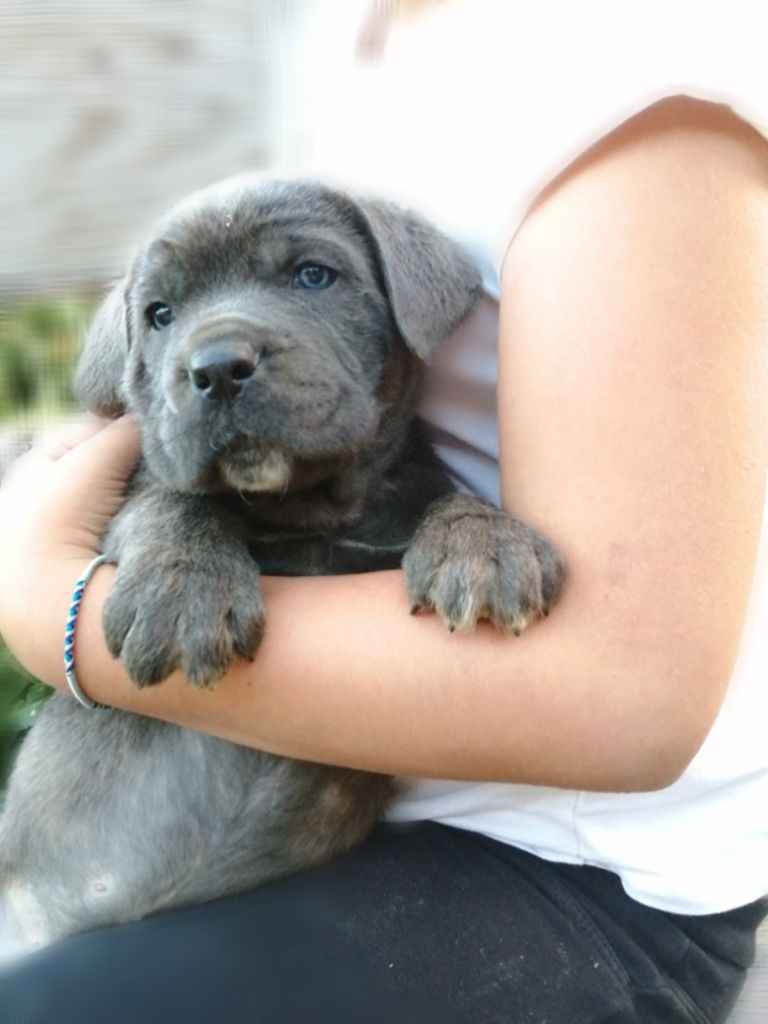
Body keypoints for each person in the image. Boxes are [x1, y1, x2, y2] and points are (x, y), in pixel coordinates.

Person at [1, 0, 767, 1020]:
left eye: (312, 276)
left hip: (557, 868)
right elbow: (116, 404)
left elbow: (628, 691)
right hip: (188, 842)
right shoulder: (326, 42)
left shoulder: (623, 59)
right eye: (165, 318)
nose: (220, 349)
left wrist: (59, 610)